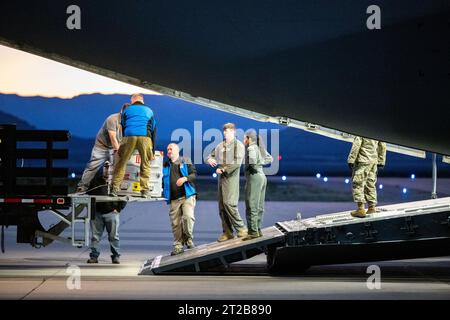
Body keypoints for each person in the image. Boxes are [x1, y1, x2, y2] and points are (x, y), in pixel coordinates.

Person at [207, 123, 248, 242]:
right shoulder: (220, 146)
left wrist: (223, 169)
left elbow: (237, 163)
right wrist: (210, 159)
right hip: (221, 179)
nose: (226, 132)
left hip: (231, 178)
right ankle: (227, 232)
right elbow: (210, 155)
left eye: (228, 130)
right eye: (224, 131)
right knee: (222, 206)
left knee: (229, 203)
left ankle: (241, 229)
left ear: (234, 132)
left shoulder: (238, 145)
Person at [111, 93, 157, 197]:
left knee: (122, 162)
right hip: (145, 137)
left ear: (132, 101)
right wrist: (152, 151)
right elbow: (154, 130)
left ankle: (114, 189)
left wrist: (123, 142)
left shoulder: (127, 110)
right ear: (142, 101)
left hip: (129, 135)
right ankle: (144, 190)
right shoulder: (149, 110)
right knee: (145, 164)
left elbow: (122, 125)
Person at [76, 103, 128, 193]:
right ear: (122, 112)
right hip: (102, 146)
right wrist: (120, 152)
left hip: (116, 147)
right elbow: (113, 137)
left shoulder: (129, 121)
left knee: (120, 167)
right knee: (93, 166)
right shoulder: (112, 119)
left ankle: (116, 189)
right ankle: (82, 187)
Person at [162, 143, 198, 255]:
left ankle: (189, 238)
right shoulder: (165, 165)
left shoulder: (185, 160)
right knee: (175, 223)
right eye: (167, 149)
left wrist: (185, 178)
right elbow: (161, 180)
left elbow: (194, 175)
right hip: (173, 198)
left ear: (177, 151)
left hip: (187, 196)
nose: (169, 151)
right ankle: (178, 245)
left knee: (188, 217)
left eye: (171, 149)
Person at [86, 173, 127, 264]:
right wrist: (91, 209)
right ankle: (94, 256)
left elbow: (125, 195)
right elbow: (89, 194)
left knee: (113, 236)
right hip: (97, 213)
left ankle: (116, 256)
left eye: (109, 166)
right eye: (105, 166)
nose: (107, 169)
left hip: (112, 213)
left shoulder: (117, 180)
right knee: (95, 237)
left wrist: (119, 209)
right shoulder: (95, 181)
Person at [243, 130, 273, 240]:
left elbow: (252, 162)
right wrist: (260, 164)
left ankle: (253, 232)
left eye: (244, 138)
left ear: (249, 138)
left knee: (251, 204)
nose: (243, 140)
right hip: (262, 176)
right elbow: (270, 158)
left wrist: (254, 166)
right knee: (259, 205)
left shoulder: (251, 148)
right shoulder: (259, 148)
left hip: (254, 177)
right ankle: (258, 229)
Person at [348, 136, 387, 218]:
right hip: (373, 161)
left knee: (358, 183)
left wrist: (351, 159)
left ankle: (360, 209)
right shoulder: (377, 130)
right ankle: (371, 207)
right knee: (370, 183)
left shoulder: (362, 129)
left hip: (363, 161)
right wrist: (381, 160)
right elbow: (382, 145)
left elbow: (357, 144)